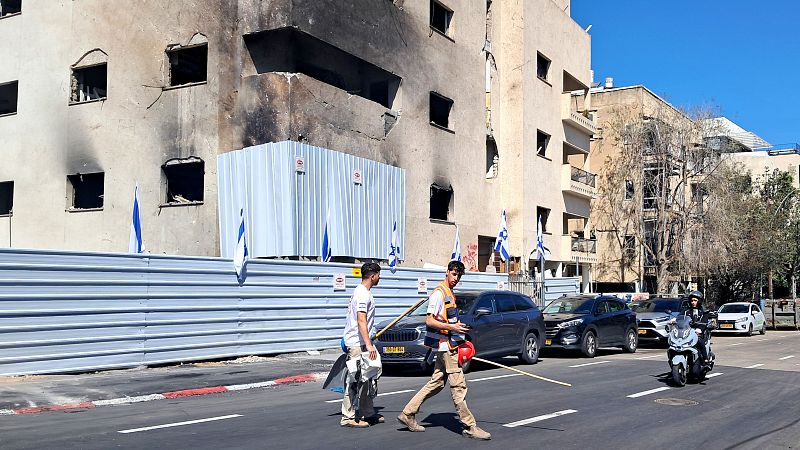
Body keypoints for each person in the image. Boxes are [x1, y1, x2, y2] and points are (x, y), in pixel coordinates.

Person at [397, 261, 491, 441]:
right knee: (459, 387)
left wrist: (458, 328)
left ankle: (408, 414)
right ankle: (470, 426)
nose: (456, 278)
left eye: (459, 276)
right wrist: (453, 327)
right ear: (447, 272)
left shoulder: (449, 293)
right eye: (454, 274)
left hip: (447, 346)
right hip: (447, 348)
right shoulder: (439, 294)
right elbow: (430, 321)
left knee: (437, 383)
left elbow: (447, 319)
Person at [340, 262, 383, 428]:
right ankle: (348, 416)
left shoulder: (363, 292)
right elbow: (361, 320)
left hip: (363, 342)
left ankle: (367, 412)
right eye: (379, 275)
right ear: (372, 276)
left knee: (367, 377)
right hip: (357, 344)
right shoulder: (362, 294)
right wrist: (368, 344)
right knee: (354, 379)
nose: (380, 278)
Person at [673, 290, 712, 367]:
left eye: (695, 300)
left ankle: (705, 358)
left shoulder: (704, 311)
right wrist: (673, 320)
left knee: (700, 342)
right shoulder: (686, 310)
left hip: (699, 332)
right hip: (687, 331)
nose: (693, 302)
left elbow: (704, 322)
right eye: (692, 300)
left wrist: (700, 329)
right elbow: (679, 317)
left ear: (699, 301)